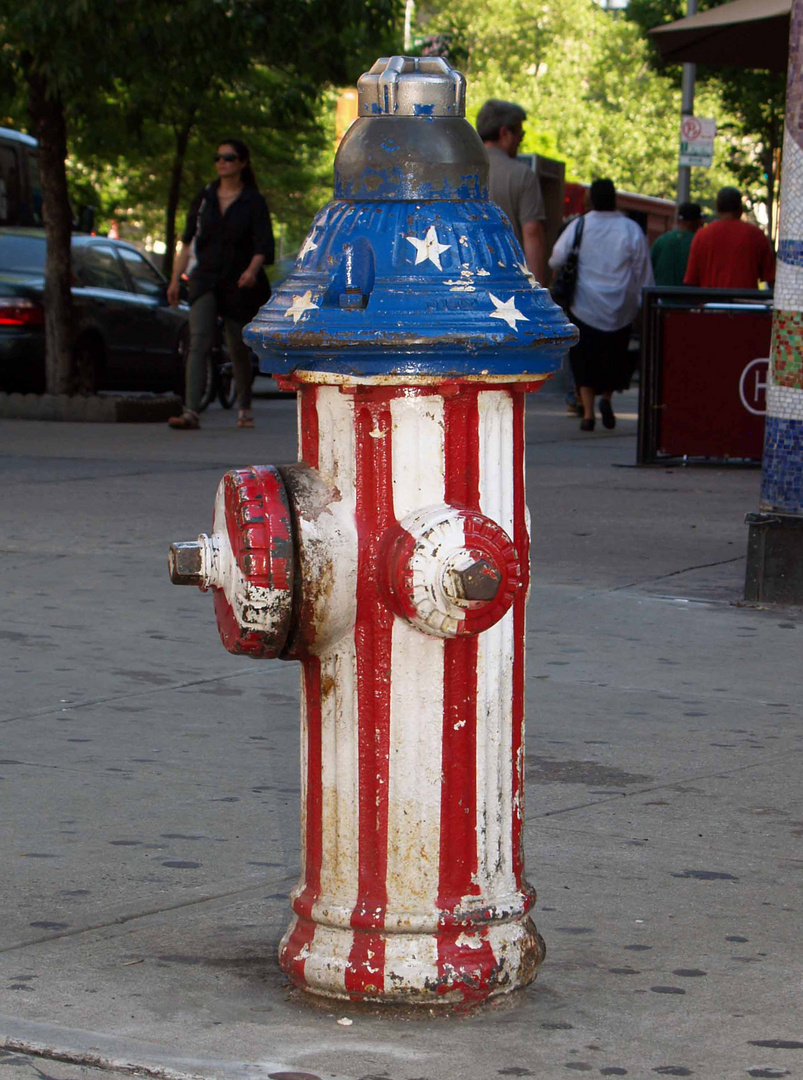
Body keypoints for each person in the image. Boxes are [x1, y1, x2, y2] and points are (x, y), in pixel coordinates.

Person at [167, 138, 274, 430]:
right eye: (218, 158)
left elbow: (263, 244)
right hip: (206, 277)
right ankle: (190, 410)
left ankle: (244, 406)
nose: (222, 163)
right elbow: (187, 242)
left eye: (228, 158)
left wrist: (252, 270)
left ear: (241, 163)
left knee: (237, 344)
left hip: (238, 281)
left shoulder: (253, 201)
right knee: (198, 340)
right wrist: (176, 279)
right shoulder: (204, 199)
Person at [549, 178, 653, 432]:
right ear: (615, 198)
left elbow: (556, 259)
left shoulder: (580, 225)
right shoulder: (631, 229)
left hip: (584, 305)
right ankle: (606, 399)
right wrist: (641, 300)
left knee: (584, 359)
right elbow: (643, 272)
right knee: (613, 358)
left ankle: (587, 413)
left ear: (591, 199)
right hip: (621, 308)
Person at [475, 99, 547, 283]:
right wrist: (537, 289)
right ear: (505, 133)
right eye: (520, 136)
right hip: (508, 282)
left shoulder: (457, 170)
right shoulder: (522, 175)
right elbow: (532, 232)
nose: (519, 142)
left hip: (464, 277)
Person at [684, 186, 775, 289]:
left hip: (710, 302)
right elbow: (770, 278)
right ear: (740, 209)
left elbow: (691, 279)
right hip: (746, 302)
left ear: (717, 208)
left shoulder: (702, 235)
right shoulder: (756, 235)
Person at [650, 202, 702, 286]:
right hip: (692, 297)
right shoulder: (700, 241)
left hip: (662, 296)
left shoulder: (661, 241)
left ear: (678, 221)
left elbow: (649, 269)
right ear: (698, 221)